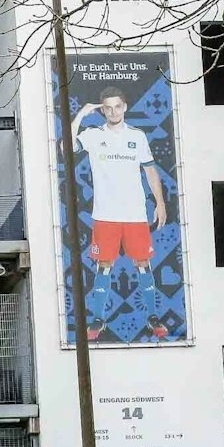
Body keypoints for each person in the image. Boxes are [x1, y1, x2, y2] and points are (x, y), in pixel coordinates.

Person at [74, 88, 170, 324]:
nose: (113, 111)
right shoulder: (93, 135)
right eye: (108, 107)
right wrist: (80, 116)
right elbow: (65, 147)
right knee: (104, 265)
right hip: (106, 214)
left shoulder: (137, 136)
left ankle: (153, 316)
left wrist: (160, 203)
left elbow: (150, 171)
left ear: (124, 107)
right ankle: (98, 318)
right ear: (102, 110)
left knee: (143, 263)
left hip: (135, 214)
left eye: (117, 106)